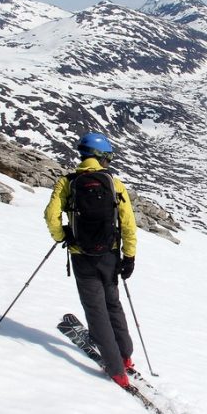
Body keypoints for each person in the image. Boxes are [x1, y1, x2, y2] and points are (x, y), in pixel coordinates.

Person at [44, 132, 138, 388]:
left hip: (81, 255)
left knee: (96, 311)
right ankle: (126, 357)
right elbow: (128, 223)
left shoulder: (67, 182)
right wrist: (129, 256)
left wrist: (62, 235)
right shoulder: (114, 183)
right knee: (114, 304)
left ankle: (115, 369)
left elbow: (51, 215)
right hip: (109, 255)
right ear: (102, 157)